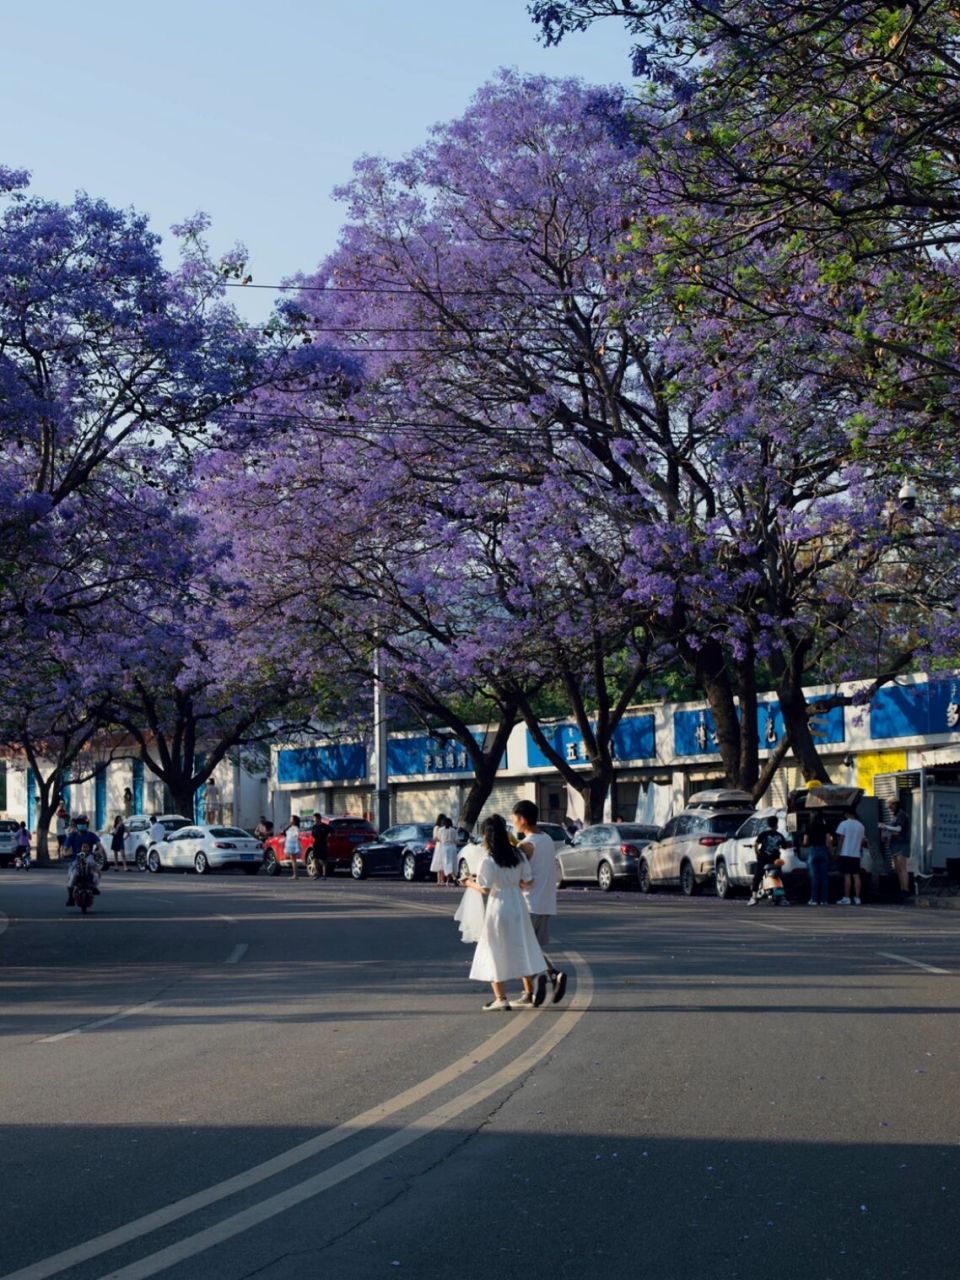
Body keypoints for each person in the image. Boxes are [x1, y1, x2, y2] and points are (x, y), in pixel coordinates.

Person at [462, 814, 546, 1011]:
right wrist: (515, 883)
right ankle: (529, 993)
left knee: (494, 949)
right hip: (518, 905)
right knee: (521, 945)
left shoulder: (488, 860)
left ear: (486, 835)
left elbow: (484, 888)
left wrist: (467, 882)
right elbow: (528, 882)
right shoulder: (519, 855)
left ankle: (501, 998)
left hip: (498, 906)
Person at [512, 799, 567, 1005]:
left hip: (528, 903)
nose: (514, 823)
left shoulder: (526, 845)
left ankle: (539, 981)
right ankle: (552, 976)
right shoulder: (547, 840)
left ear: (523, 819)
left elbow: (521, 878)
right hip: (546, 903)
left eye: (515, 819)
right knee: (531, 948)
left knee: (519, 948)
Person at [831, 805, 868, 905]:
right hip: (856, 854)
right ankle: (857, 898)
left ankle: (847, 897)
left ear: (847, 814)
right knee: (856, 876)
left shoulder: (843, 824)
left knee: (847, 876)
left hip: (845, 853)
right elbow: (862, 841)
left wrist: (837, 852)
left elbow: (841, 839)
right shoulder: (861, 826)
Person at [748, 817, 788, 904]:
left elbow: (756, 844)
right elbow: (784, 846)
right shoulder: (779, 835)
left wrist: (757, 853)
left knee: (757, 877)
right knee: (779, 876)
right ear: (776, 824)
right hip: (775, 860)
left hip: (764, 859)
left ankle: (754, 897)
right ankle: (781, 896)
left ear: (768, 824)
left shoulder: (763, 834)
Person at [881, 797, 911, 903]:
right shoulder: (894, 816)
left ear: (896, 804)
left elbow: (899, 829)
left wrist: (886, 827)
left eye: (891, 805)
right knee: (898, 869)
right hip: (894, 844)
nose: (890, 808)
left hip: (901, 844)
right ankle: (902, 889)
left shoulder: (902, 815)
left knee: (902, 868)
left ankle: (905, 889)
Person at [803, 808, 831, 906]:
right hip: (823, 850)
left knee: (815, 877)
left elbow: (805, 841)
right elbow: (828, 840)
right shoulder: (825, 826)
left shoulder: (809, 826)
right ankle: (824, 900)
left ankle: (814, 899)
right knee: (824, 877)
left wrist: (805, 844)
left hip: (813, 850)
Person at [66, 837, 100, 906]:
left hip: (89, 874)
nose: (85, 848)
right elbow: (73, 865)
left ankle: (94, 888)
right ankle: (70, 898)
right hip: (79, 874)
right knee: (73, 876)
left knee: (96, 875)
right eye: (83, 847)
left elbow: (95, 866)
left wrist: (97, 870)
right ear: (81, 848)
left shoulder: (92, 856)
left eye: (86, 847)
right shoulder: (79, 856)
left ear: (89, 848)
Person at [430, 813, 451, 886]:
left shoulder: (444, 829)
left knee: (443, 863)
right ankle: (439, 880)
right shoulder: (436, 828)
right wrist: (441, 840)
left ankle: (442, 880)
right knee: (438, 863)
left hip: (444, 846)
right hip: (439, 846)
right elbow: (435, 838)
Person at [437, 818, 459, 884]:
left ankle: (452, 878)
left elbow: (439, 839)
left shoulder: (440, 830)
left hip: (445, 847)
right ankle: (450, 879)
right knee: (453, 863)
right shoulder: (454, 830)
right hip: (452, 847)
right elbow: (457, 840)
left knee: (446, 864)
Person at [309, 812, 329, 878]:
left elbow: (332, 832)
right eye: (314, 818)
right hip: (316, 845)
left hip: (323, 844)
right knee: (315, 859)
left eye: (315, 818)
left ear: (319, 818)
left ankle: (324, 875)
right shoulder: (314, 827)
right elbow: (312, 835)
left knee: (323, 860)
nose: (314, 820)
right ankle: (318, 873)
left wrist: (328, 838)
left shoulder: (325, 826)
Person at [284, 815, 302, 880]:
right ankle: (295, 874)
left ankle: (295, 875)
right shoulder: (291, 827)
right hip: (291, 844)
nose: (290, 820)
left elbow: (294, 836)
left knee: (293, 860)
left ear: (294, 821)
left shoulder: (295, 828)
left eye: (291, 819)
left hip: (293, 845)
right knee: (293, 860)